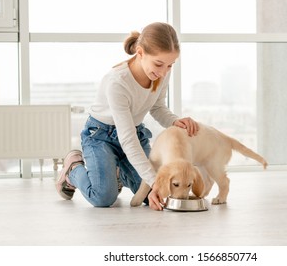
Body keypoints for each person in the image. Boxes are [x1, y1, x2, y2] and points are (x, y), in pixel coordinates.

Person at [55, 22, 199, 211]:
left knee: (155, 195)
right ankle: (73, 168)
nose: (164, 72)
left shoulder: (162, 72)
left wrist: (174, 121)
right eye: (159, 64)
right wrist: (154, 180)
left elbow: (157, 107)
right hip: (101, 137)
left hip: (134, 134)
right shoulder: (117, 82)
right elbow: (127, 139)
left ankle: (115, 172)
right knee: (103, 197)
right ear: (140, 53)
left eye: (170, 65)